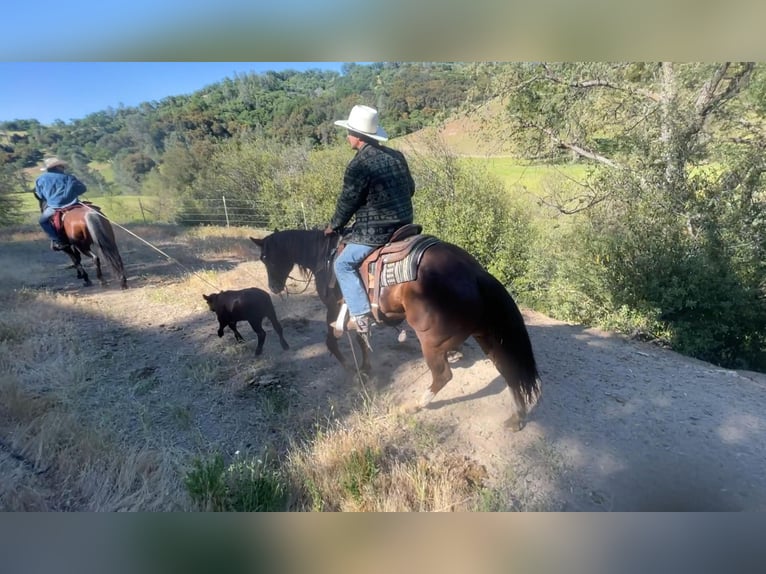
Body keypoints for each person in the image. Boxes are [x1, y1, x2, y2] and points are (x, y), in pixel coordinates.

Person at [324, 105, 416, 350]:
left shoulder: (358, 166)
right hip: (406, 225)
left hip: (375, 232)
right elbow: (411, 189)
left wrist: (334, 225)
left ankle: (361, 315)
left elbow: (348, 202)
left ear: (357, 136)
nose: (347, 137)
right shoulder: (397, 156)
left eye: (349, 132)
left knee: (342, 264)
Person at [34, 157, 87, 250]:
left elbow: (41, 196)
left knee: (43, 221)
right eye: (62, 166)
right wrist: (74, 192)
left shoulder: (40, 180)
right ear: (58, 167)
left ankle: (57, 240)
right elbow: (83, 189)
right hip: (73, 204)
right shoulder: (69, 177)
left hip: (54, 206)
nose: (63, 168)